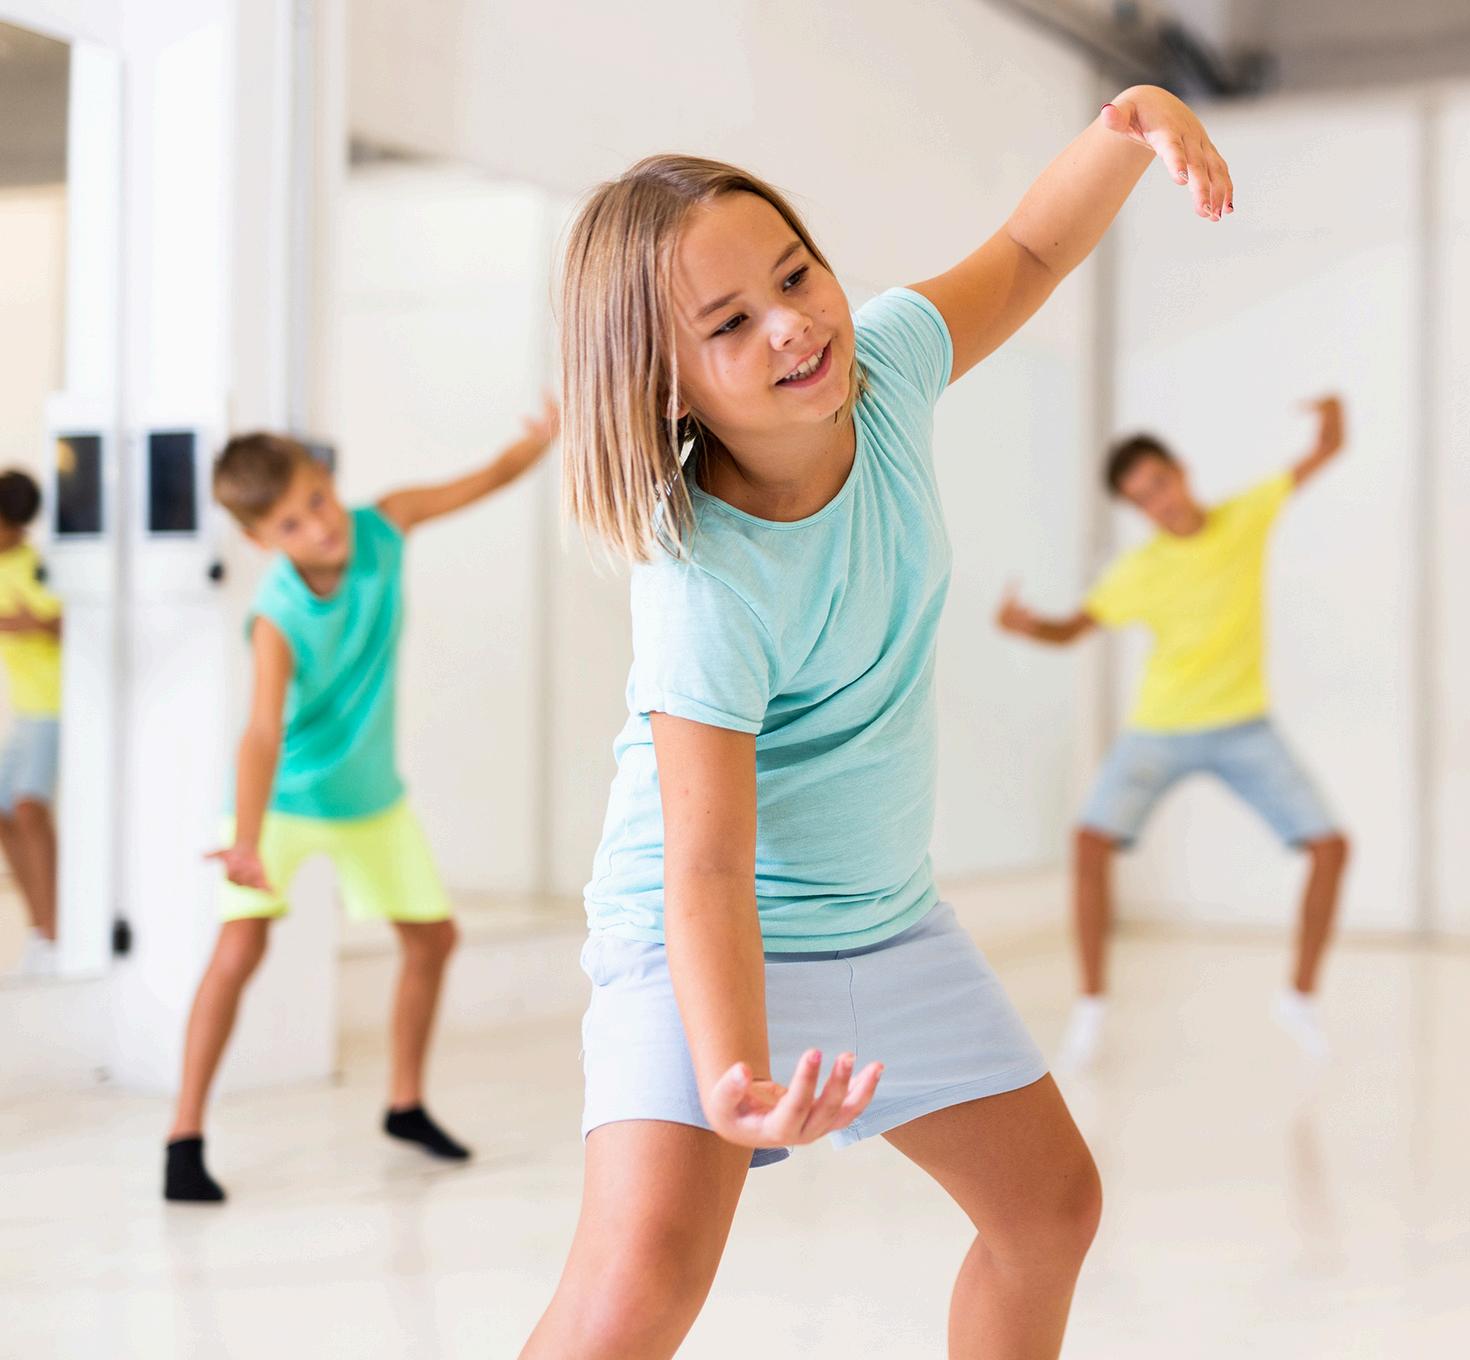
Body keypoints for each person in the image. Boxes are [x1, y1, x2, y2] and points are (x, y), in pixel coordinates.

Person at [522, 86, 1231, 1359]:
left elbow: (1028, 252)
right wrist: (735, 1072)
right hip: (700, 947)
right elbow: (704, 865)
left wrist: (1126, 129)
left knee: (1048, 1212)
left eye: (796, 274)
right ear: (665, 387)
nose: (793, 323)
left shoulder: (889, 369)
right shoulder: (705, 584)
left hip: (887, 922)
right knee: (636, 1297)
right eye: (731, 323)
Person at [164, 408, 559, 1203]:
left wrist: (541, 437)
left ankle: (404, 1106)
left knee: (433, 940)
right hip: (283, 800)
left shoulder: (387, 524)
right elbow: (260, 733)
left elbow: (486, 479)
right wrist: (246, 839)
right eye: (291, 523)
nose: (319, 526)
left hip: (369, 797)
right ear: (260, 540)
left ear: (327, 479)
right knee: (239, 950)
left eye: (317, 499)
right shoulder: (276, 618)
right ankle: (184, 1135)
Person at [997, 399, 1351, 1068]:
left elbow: (1326, 449)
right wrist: (1028, 624)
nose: (1157, 503)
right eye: (1141, 499)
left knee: (1330, 847)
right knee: (1089, 840)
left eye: (1159, 484)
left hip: (1244, 726)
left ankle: (1299, 999)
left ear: (1181, 472)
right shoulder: (1136, 572)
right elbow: (1071, 630)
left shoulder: (1247, 515)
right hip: (1160, 728)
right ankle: (1091, 1007)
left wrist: (1332, 410)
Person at [0, 470, 61, 977]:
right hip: (25, 709)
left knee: (29, 808)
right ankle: (39, 928)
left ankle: (54, 934)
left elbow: (71, 622)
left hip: (54, 705)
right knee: (4, 811)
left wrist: (35, 623)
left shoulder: (39, 565)